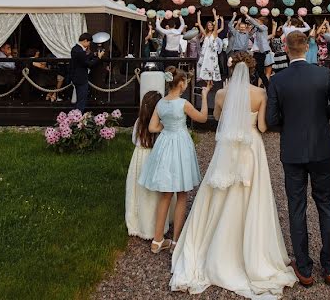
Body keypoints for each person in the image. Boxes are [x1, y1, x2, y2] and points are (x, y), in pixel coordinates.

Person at [171, 52, 297, 297]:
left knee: (220, 192)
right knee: (250, 194)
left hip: (227, 148)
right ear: (251, 70)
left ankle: (215, 247)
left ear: (230, 69)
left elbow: (218, 119)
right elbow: (261, 127)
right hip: (251, 147)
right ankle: (249, 249)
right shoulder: (261, 94)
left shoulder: (221, 94)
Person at [266, 32, 330, 287]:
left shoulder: (278, 80)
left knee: (297, 205)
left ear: (286, 49)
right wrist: (321, 116)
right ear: (308, 47)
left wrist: (289, 124)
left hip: (292, 150)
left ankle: (303, 267)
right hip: (321, 148)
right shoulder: (322, 74)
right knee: (326, 204)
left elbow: (271, 120)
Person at [138, 67, 208, 253]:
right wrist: (205, 98)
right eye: (185, 82)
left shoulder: (160, 103)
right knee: (182, 193)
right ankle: (176, 241)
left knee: (166, 195)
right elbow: (201, 118)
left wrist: (167, 127)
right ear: (181, 83)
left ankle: (157, 240)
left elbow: (153, 127)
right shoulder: (183, 103)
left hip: (165, 144)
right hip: (180, 144)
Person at [125, 91, 174, 239]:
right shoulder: (160, 124)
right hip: (154, 157)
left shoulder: (138, 122)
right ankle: (155, 225)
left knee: (140, 191)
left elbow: (134, 140)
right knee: (154, 194)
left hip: (139, 158)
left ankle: (139, 223)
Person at [70, 33, 105, 112]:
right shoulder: (80, 51)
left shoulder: (75, 49)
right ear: (85, 41)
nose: (89, 44)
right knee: (81, 100)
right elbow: (89, 64)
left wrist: (93, 55)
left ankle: (75, 117)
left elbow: (84, 58)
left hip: (76, 77)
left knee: (79, 99)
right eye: (89, 42)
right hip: (81, 78)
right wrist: (99, 57)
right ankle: (77, 118)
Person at [196, 8, 223, 85]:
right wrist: (198, 15)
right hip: (205, 52)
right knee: (202, 64)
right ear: (207, 26)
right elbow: (199, 24)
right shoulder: (205, 33)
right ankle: (206, 79)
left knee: (212, 65)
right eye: (208, 25)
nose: (210, 26)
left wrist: (214, 13)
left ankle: (210, 80)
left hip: (212, 53)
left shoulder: (214, 33)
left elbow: (217, 23)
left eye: (211, 25)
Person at [245, 13, 271, 86]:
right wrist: (249, 29)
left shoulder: (264, 28)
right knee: (253, 71)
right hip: (255, 53)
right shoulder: (256, 28)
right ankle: (255, 86)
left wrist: (246, 15)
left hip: (261, 53)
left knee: (260, 72)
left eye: (259, 20)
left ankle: (268, 86)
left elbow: (256, 24)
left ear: (262, 22)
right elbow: (249, 35)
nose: (257, 21)